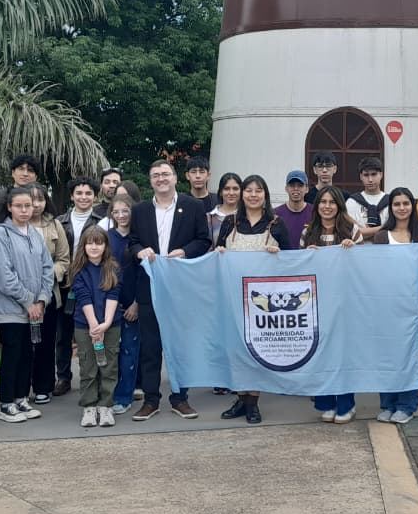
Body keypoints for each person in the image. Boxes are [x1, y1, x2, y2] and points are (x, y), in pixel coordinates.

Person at [128, 160, 211, 421]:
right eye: (155, 175)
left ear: (176, 178)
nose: (161, 178)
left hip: (181, 288)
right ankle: (151, 400)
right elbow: (132, 242)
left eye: (165, 174)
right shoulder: (140, 210)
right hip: (149, 288)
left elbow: (204, 240)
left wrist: (185, 252)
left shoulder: (193, 206)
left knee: (180, 346)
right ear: (150, 181)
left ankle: (180, 398)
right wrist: (139, 251)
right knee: (150, 346)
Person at [216, 175, 290, 424]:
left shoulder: (276, 224)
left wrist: (277, 254)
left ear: (265, 195)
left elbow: (293, 263)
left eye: (258, 190)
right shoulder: (230, 223)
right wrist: (220, 252)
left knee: (256, 348)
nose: (253, 195)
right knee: (236, 349)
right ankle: (240, 398)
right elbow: (217, 255)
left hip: (263, 301)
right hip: (233, 296)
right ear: (242, 195)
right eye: (248, 190)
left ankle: (253, 403)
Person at [0, 186, 55, 424]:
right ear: (9, 207)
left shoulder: (35, 234)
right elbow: (2, 274)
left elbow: (48, 268)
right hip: (9, 309)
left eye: (28, 205)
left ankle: (21, 398)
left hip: (34, 308)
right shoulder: (1, 234)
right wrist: (27, 300)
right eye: (19, 206)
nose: (25, 210)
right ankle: (5, 403)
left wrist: (42, 299)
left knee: (28, 353)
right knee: (13, 353)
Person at [372, 187, 418, 424]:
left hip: (416, 299)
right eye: (397, 204)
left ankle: (407, 405)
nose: (402, 208)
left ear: (412, 205)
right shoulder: (382, 236)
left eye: (406, 203)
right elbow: (375, 272)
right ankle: (388, 403)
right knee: (388, 352)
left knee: (411, 353)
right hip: (388, 301)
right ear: (391, 208)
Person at [302, 186, 363, 423]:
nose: (327, 206)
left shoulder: (352, 230)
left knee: (344, 353)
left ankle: (347, 403)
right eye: (322, 202)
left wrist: (352, 250)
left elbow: (362, 267)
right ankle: (326, 402)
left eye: (332, 202)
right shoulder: (308, 232)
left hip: (345, 301)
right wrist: (307, 254)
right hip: (317, 302)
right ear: (317, 206)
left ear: (339, 205)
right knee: (322, 351)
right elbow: (299, 268)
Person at [55, 177, 105, 396]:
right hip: (65, 283)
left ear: (95, 196)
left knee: (93, 329)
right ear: (72, 196)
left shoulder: (102, 220)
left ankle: (98, 376)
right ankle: (63, 377)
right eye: (79, 193)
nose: (83, 197)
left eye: (88, 193)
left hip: (92, 282)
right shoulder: (59, 221)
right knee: (63, 333)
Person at [69, 227, 121, 428]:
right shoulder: (78, 269)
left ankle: (106, 406)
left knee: (109, 366)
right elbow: (83, 297)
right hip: (85, 325)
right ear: (83, 245)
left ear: (105, 246)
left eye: (99, 243)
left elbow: (113, 294)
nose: (94, 247)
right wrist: (94, 327)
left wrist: (105, 324)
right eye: (90, 242)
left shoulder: (113, 267)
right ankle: (89, 406)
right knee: (88, 366)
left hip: (111, 324)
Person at [28, 183, 71, 405]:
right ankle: (21, 388)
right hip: (21, 295)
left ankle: (43, 386)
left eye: (40, 199)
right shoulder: (12, 226)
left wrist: (48, 274)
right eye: (31, 199)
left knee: (45, 342)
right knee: (22, 343)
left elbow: (64, 259)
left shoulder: (55, 225)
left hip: (49, 292)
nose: (35, 204)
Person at [108, 194, 144, 414]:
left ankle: (124, 396)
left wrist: (137, 304)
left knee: (130, 352)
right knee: (110, 352)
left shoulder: (140, 239)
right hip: (110, 305)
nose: (121, 215)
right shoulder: (105, 238)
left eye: (125, 210)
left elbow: (145, 274)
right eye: (116, 211)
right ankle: (106, 394)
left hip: (133, 304)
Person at [346, 156, 388, 240]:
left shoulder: (391, 202)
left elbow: (394, 232)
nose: (370, 179)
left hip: (386, 249)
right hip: (359, 250)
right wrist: (384, 228)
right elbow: (351, 232)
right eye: (366, 175)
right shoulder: (352, 202)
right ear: (361, 176)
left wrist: (364, 232)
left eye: (374, 174)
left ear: (381, 174)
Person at [274, 170, 313, 250]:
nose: (296, 189)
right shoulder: (275, 214)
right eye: (292, 185)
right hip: (283, 261)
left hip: (308, 260)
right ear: (286, 189)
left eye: (300, 185)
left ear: (307, 189)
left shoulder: (315, 212)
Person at [207, 172, 242, 248]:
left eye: (235, 189)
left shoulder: (246, 217)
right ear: (220, 192)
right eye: (226, 189)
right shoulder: (209, 218)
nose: (231, 193)